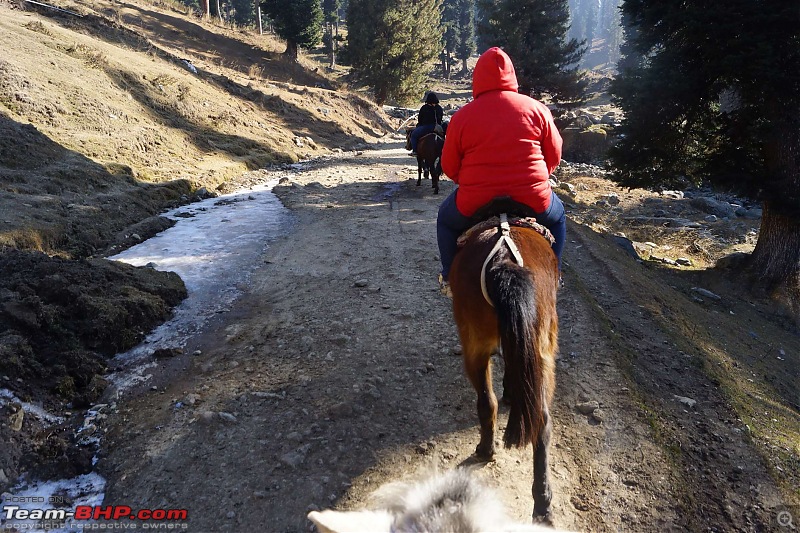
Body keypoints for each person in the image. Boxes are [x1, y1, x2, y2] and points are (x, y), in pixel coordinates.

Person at [437, 47, 566, 294]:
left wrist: (467, 181)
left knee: (445, 220)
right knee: (559, 218)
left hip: (475, 200)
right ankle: (555, 274)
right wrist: (539, 177)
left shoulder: (462, 117)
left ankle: (448, 277)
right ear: (512, 75)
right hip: (532, 197)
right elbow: (555, 154)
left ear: (477, 78)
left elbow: (449, 166)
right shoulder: (538, 109)